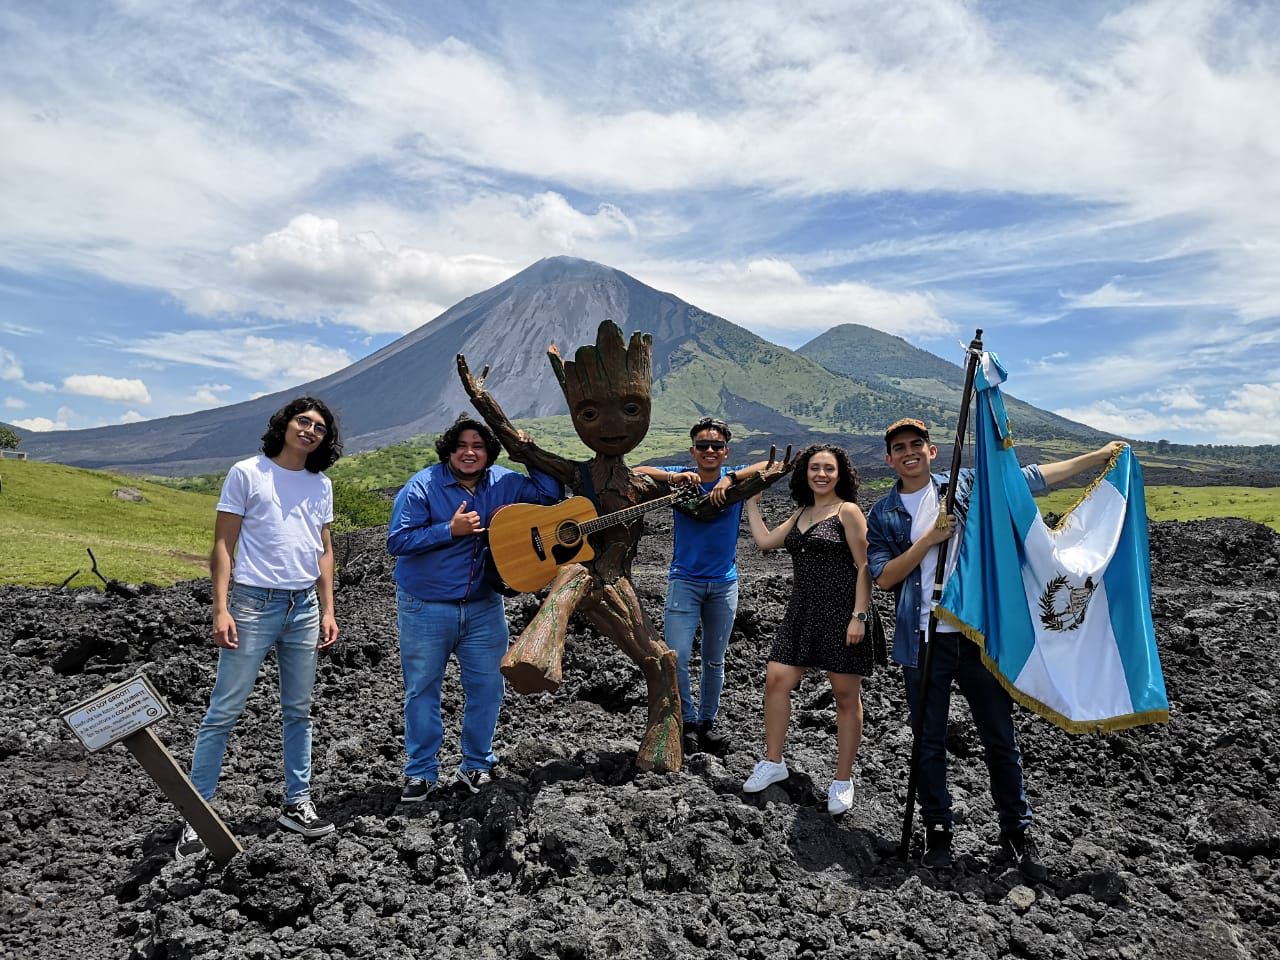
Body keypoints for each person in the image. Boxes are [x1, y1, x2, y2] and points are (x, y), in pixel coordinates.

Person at [866, 416, 1125, 878]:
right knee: (928, 742)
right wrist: (931, 539)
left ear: (932, 450)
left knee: (999, 738)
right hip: (924, 641)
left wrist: (1097, 458)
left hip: (978, 637)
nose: (909, 452)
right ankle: (938, 833)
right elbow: (885, 578)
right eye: (899, 447)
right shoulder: (883, 512)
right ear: (889, 458)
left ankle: (1015, 833)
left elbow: (1029, 478)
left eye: (916, 444)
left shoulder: (965, 486)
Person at [179, 397, 343, 859]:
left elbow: (323, 551)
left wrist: (328, 609)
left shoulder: (321, 485)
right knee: (223, 711)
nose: (309, 430)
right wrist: (220, 607)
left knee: (299, 710)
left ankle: (299, 802)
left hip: (304, 606)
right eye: (303, 421)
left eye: (319, 427)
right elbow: (223, 545)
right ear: (285, 425)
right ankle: (197, 816)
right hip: (252, 604)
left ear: (325, 439)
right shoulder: (247, 473)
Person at [387, 415, 561, 802]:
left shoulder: (504, 482)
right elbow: (397, 541)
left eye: (478, 446)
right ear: (449, 450)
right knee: (423, 690)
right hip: (426, 606)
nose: (469, 453)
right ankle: (421, 773)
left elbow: (549, 496)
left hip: (483, 606)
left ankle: (475, 766)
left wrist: (528, 453)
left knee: (487, 688)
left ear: (489, 453)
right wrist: (450, 530)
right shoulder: (423, 486)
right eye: (462, 446)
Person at [740, 443, 880, 816]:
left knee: (845, 697)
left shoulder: (847, 512)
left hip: (841, 613)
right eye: (814, 468)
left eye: (828, 469)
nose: (821, 474)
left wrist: (859, 615)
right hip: (801, 612)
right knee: (776, 680)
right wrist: (751, 501)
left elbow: (864, 566)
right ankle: (773, 761)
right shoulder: (802, 512)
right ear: (805, 473)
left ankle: (842, 780)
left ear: (840, 474)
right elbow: (766, 542)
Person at [633, 417, 778, 754]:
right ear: (692, 451)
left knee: (715, 659)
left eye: (716, 446)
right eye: (702, 446)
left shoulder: (736, 478)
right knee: (677, 656)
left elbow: (774, 464)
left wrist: (730, 479)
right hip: (684, 581)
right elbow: (637, 471)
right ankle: (688, 719)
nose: (709, 451)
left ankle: (708, 722)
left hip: (723, 584)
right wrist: (673, 477)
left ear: (726, 452)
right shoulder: (681, 479)